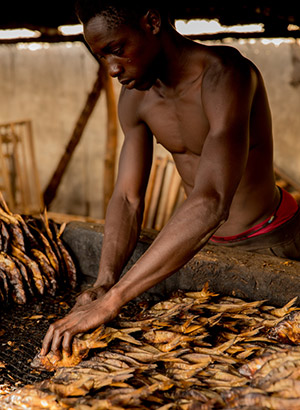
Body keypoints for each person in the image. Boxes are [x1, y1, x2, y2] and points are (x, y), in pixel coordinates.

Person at [41, 0, 300, 357]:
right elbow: (127, 199)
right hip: (198, 248)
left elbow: (212, 200)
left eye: (117, 50)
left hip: (269, 240)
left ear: (151, 22)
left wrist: (114, 300)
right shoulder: (135, 98)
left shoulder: (226, 76)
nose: (112, 69)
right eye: (102, 57)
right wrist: (105, 281)